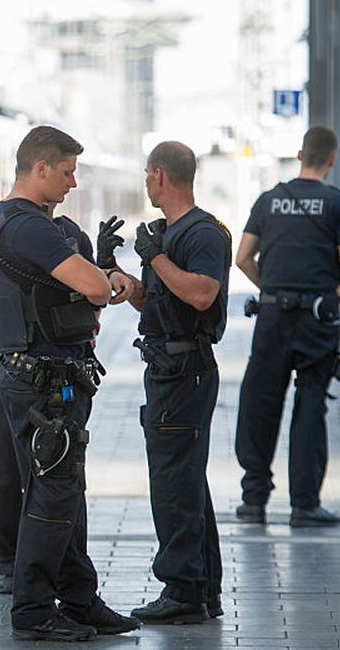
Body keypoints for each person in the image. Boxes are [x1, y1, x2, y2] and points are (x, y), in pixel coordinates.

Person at [0, 125, 139, 642]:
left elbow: (88, 283)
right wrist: (99, 281)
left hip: (50, 379)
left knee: (64, 490)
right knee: (51, 494)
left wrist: (99, 274)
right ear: (41, 167)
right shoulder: (27, 226)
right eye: (68, 172)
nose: (73, 183)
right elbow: (93, 288)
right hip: (41, 384)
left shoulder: (20, 224)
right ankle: (32, 611)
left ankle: (77, 598)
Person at [105, 141, 228, 625]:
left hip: (184, 373)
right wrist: (120, 275)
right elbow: (157, 304)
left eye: (146, 174)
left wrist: (155, 258)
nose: (145, 182)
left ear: (159, 176)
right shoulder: (168, 234)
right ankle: (203, 588)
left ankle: (182, 590)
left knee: (174, 482)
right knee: (186, 478)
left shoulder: (202, 233)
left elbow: (200, 294)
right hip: (167, 367)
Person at [0, 203, 94, 598]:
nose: (72, 184)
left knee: (57, 477)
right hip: (0, 367)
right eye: (66, 172)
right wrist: (9, 295)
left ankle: (59, 572)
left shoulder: (70, 238)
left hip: (53, 371)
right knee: (0, 475)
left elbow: (92, 295)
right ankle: (9, 563)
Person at [233, 125, 340, 527]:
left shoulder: (269, 200)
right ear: (331, 159)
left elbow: (242, 258)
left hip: (272, 317)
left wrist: (272, 286)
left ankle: (253, 500)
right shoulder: (337, 204)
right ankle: (304, 505)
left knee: (260, 404)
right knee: (310, 407)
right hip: (316, 320)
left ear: (299, 155)